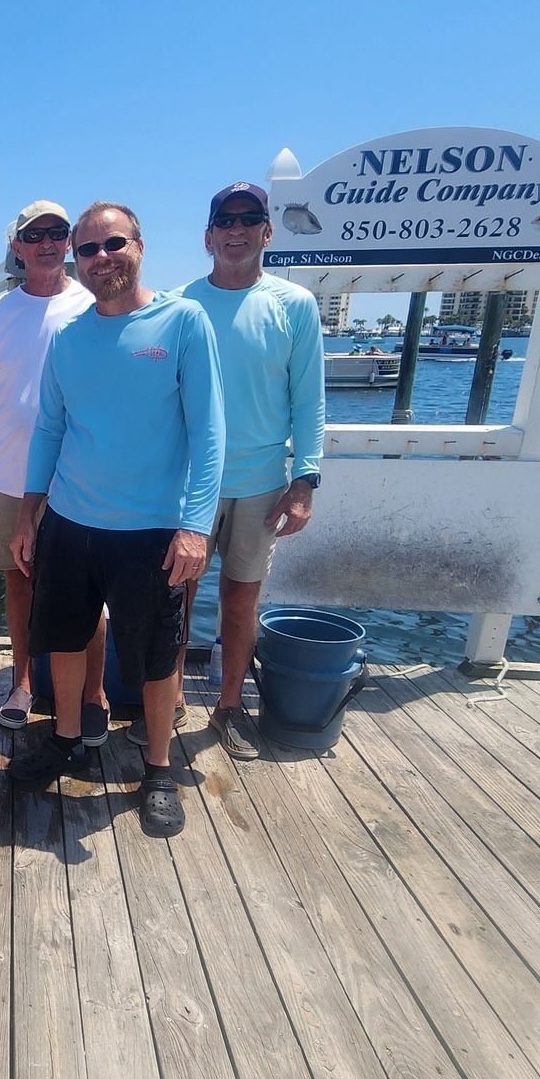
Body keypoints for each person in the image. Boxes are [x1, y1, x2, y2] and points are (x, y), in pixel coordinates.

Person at [9, 202, 223, 837]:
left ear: (141, 246)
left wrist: (196, 525)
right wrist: (28, 515)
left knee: (157, 657)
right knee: (66, 639)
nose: (102, 258)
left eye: (114, 245)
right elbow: (49, 427)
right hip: (70, 524)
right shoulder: (69, 337)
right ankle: (67, 736)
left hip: (153, 531)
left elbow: (210, 435)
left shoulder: (184, 322)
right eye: (89, 249)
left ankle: (157, 767)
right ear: (77, 259)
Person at [175, 182, 325, 760]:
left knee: (242, 600)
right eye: (225, 220)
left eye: (249, 218)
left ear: (267, 231)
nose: (236, 229)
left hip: (263, 483)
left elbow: (309, 401)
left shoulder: (295, 305)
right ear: (208, 236)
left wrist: (305, 479)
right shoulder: (179, 303)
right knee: (175, 598)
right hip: (189, 485)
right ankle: (167, 699)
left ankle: (230, 705)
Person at [0, 201, 100, 732]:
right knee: (19, 583)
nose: (45, 242)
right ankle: (23, 679)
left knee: (87, 593)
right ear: (16, 247)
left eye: (56, 233)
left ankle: (92, 694)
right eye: (33, 234)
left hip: (77, 481)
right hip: (7, 478)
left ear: (69, 241)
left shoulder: (93, 306)